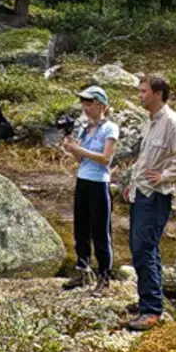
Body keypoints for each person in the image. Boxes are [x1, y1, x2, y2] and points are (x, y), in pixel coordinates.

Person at [122, 74, 176, 331]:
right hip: (142, 192)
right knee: (143, 248)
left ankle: (152, 310)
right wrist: (132, 184)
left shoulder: (172, 121)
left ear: (158, 94)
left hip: (157, 195)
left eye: (144, 91)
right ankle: (148, 301)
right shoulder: (152, 121)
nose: (140, 95)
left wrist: (167, 176)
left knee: (144, 248)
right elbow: (147, 157)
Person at [61, 85, 119, 296]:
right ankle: (82, 270)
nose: (85, 107)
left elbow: (106, 158)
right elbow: (80, 159)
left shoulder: (110, 128)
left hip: (99, 183)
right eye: (83, 103)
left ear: (100, 104)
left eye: (89, 103)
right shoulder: (85, 128)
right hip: (82, 180)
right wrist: (72, 148)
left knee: (100, 232)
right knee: (81, 228)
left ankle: (104, 277)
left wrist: (80, 149)